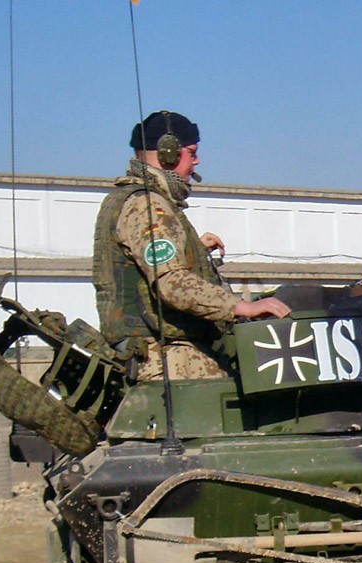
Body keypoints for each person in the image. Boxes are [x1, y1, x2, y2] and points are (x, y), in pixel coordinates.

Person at [93, 110, 291, 381]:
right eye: (192, 152)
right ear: (168, 153)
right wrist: (240, 307)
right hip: (172, 363)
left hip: (159, 358)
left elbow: (147, 265)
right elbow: (171, 283)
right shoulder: (148, 205)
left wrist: (193, 249)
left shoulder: (133, 199)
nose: (197, 161)